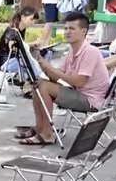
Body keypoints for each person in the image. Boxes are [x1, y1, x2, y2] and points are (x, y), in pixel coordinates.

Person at [16, 12, 110, 146]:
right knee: (39, 84)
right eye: (65, 28)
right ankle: (40, 128)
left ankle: (47, 134)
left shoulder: (90, 52)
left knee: (44, 86)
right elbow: (56, 77)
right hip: (79, 93)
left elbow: (79, 81)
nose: (67, 32)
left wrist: (51, 68)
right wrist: (40, 61)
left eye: (72, 29)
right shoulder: (73, 51)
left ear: (83, 31)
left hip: (91, 100)